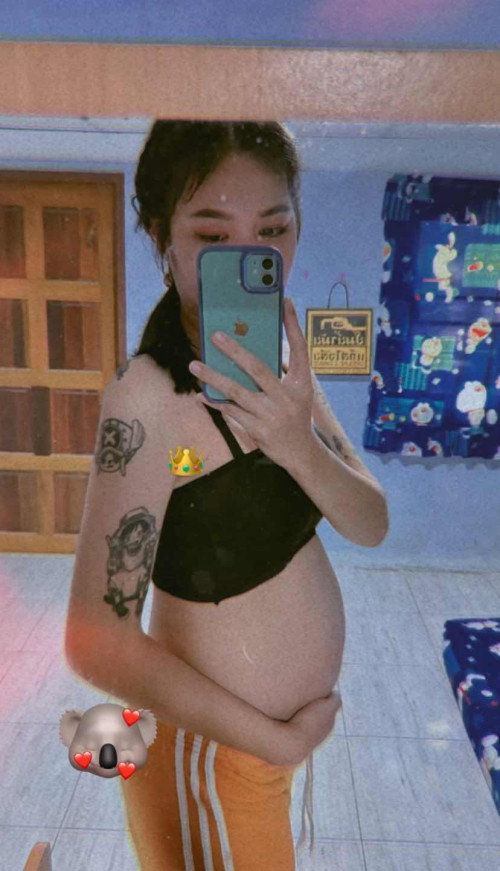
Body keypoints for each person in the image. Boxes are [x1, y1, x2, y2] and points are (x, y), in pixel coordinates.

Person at [65, 120, 389, 871]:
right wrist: (273, 738)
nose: (251, 255)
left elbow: (370, 522)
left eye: (273, 228)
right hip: (208, 759)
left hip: (255, 759)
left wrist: (296, 442)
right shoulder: (146, 396)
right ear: (162, 239)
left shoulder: (283, 366)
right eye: (213, 236)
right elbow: (94, 639)